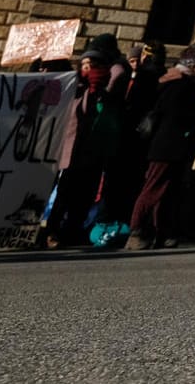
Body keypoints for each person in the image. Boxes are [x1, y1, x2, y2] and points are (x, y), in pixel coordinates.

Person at [127, 42, 195, 250]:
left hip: (172, 146)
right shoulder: (177, 85)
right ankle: (136, 231)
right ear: (194, 65)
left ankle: (161, 232)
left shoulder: (179, 81)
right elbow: (178, 116)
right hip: (166, 146)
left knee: (168, 192)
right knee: (153, 188)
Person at [50, 34, 129, 246]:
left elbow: (104, 115)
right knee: (64, 194)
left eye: (91, 64)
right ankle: (52, 231)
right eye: (83, 64)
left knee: (85, 195)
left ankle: (71, 231)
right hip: (71, 152)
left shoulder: (107, 91)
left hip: (93, 153)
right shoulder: (74, 87)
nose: (86, 68)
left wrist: (98, 90)